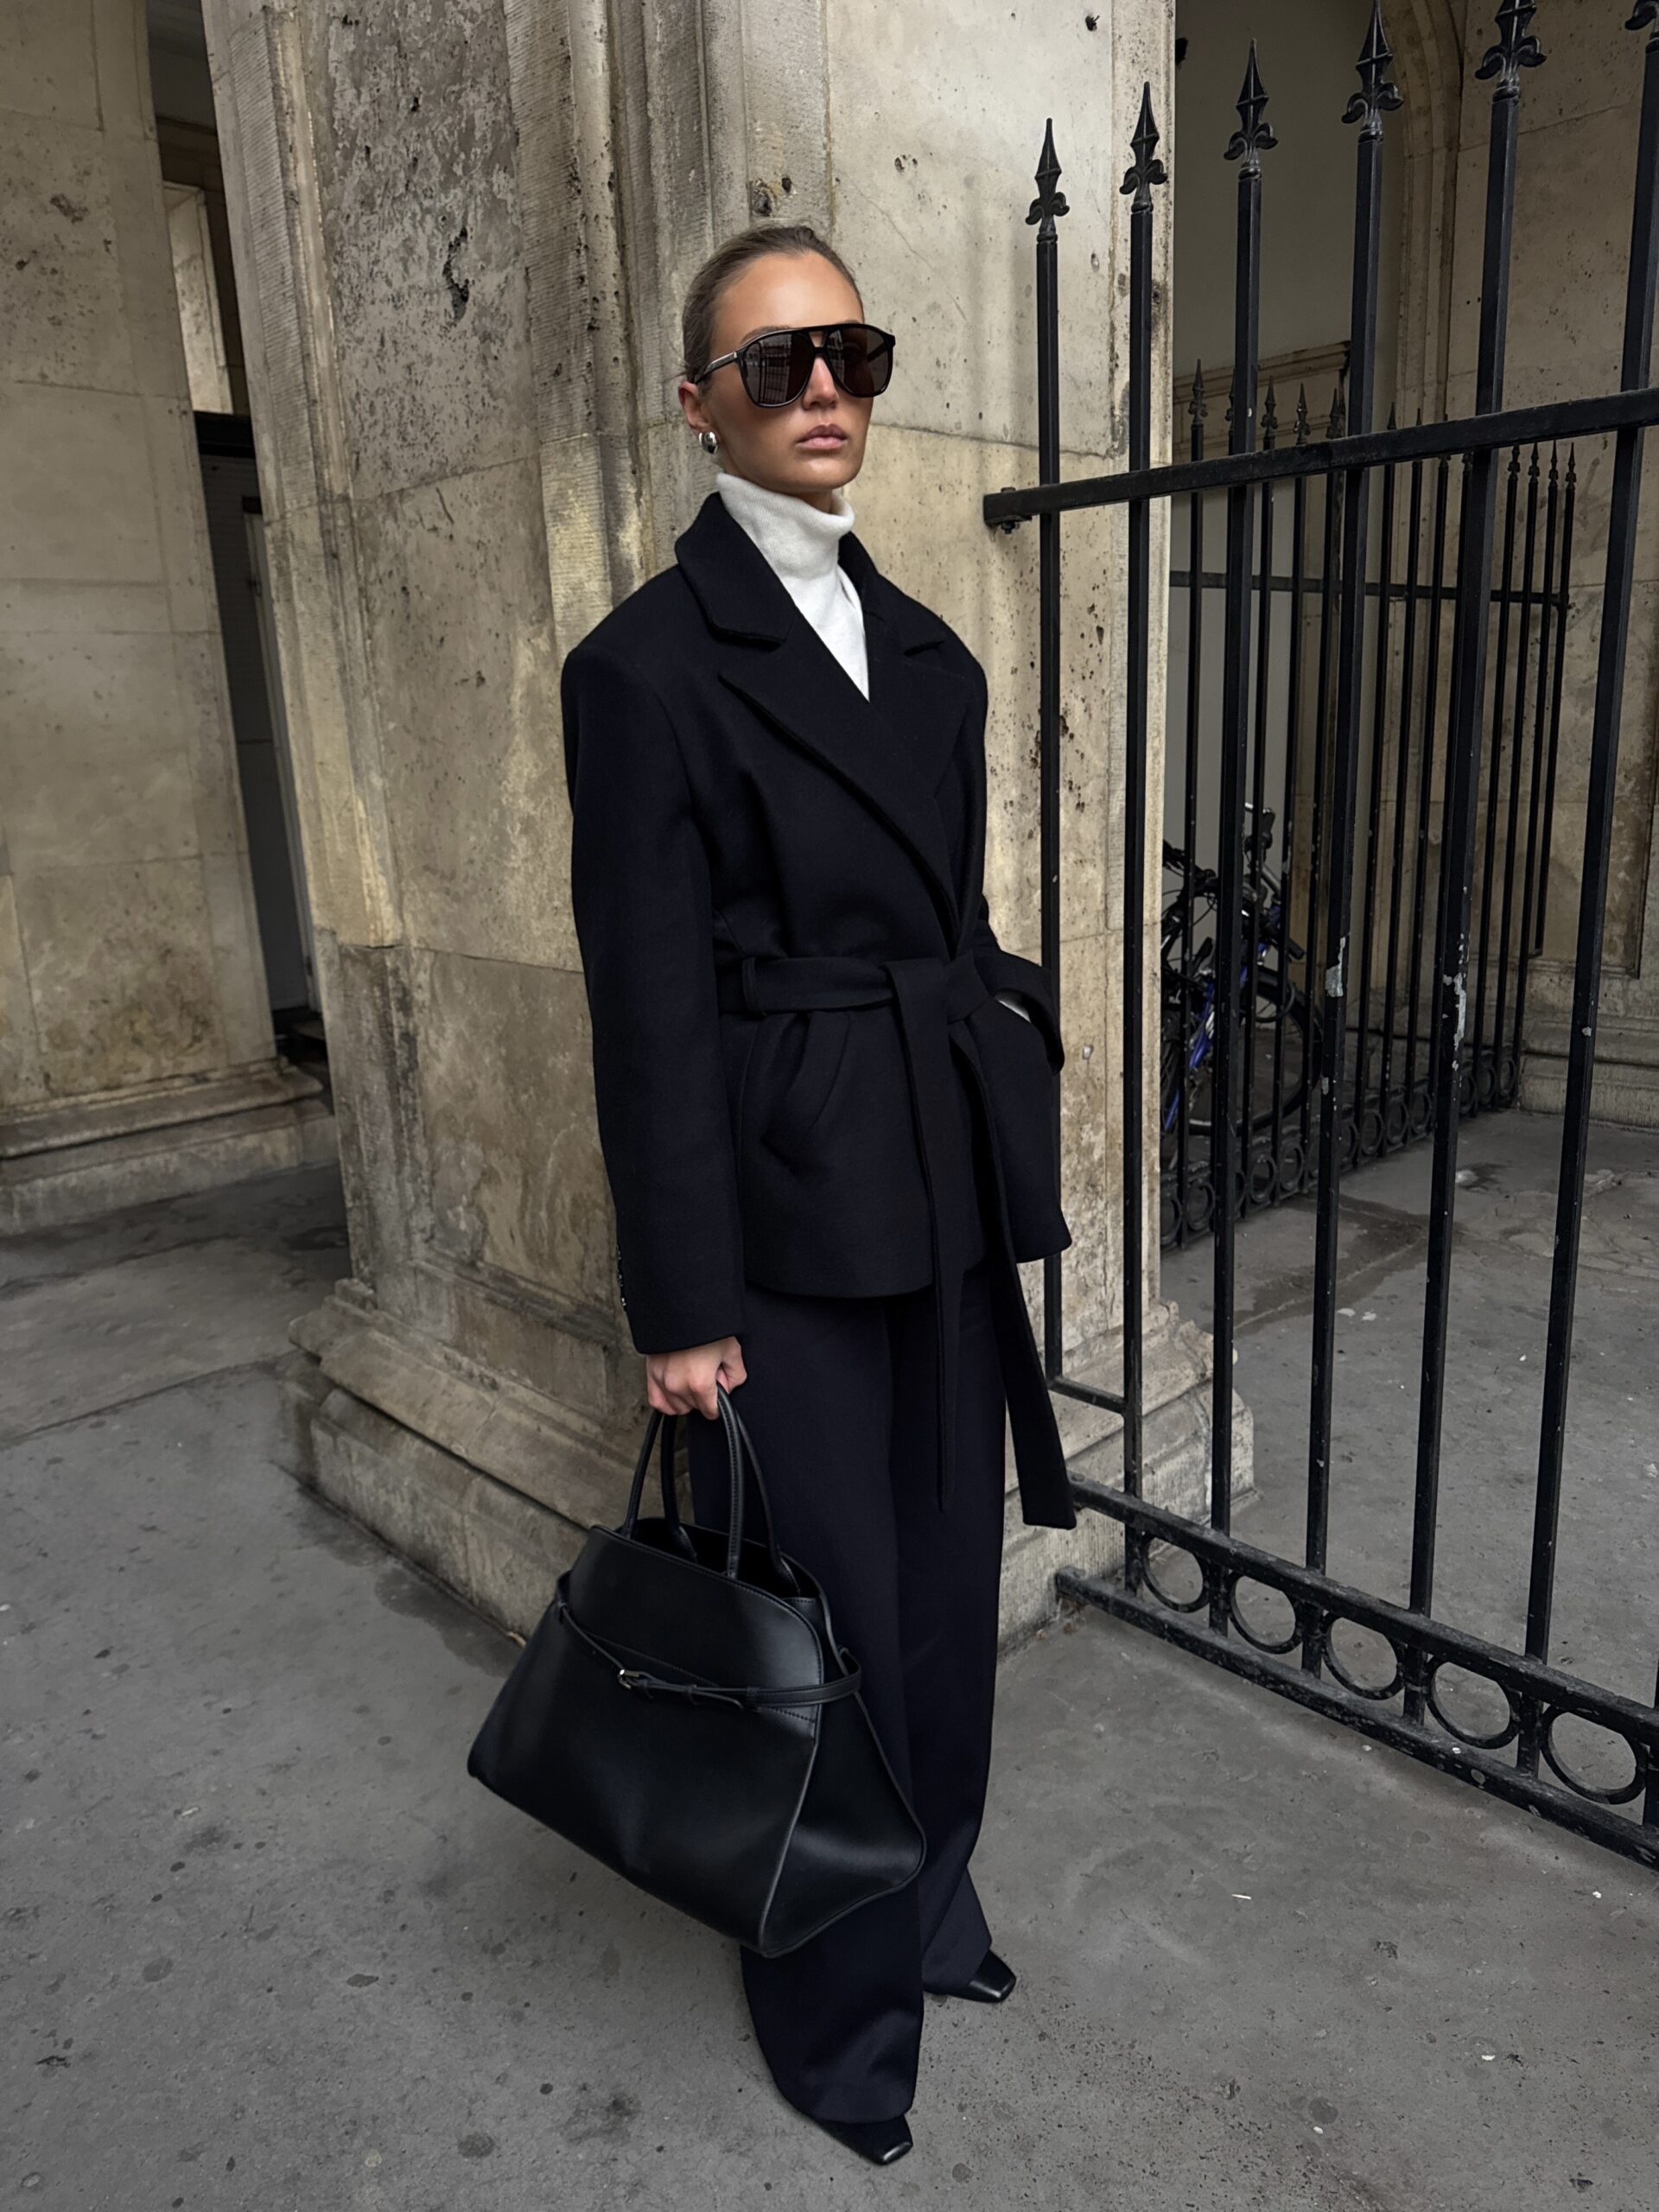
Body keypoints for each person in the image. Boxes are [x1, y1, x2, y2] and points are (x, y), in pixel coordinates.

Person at [559, 220, 1077, 2168]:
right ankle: (834, 2010)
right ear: (700, 405)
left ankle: (928, 1901)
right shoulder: (640, 669)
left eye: (850, 350)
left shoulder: (930, 648)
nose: (824, 389)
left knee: (942, 1583)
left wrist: (997, 1048)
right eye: (776, 362)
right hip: (781, 1212)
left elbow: (949, 917)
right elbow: (649, 1010)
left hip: (935, 1180)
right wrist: (682, 1304)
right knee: (830, 1618)